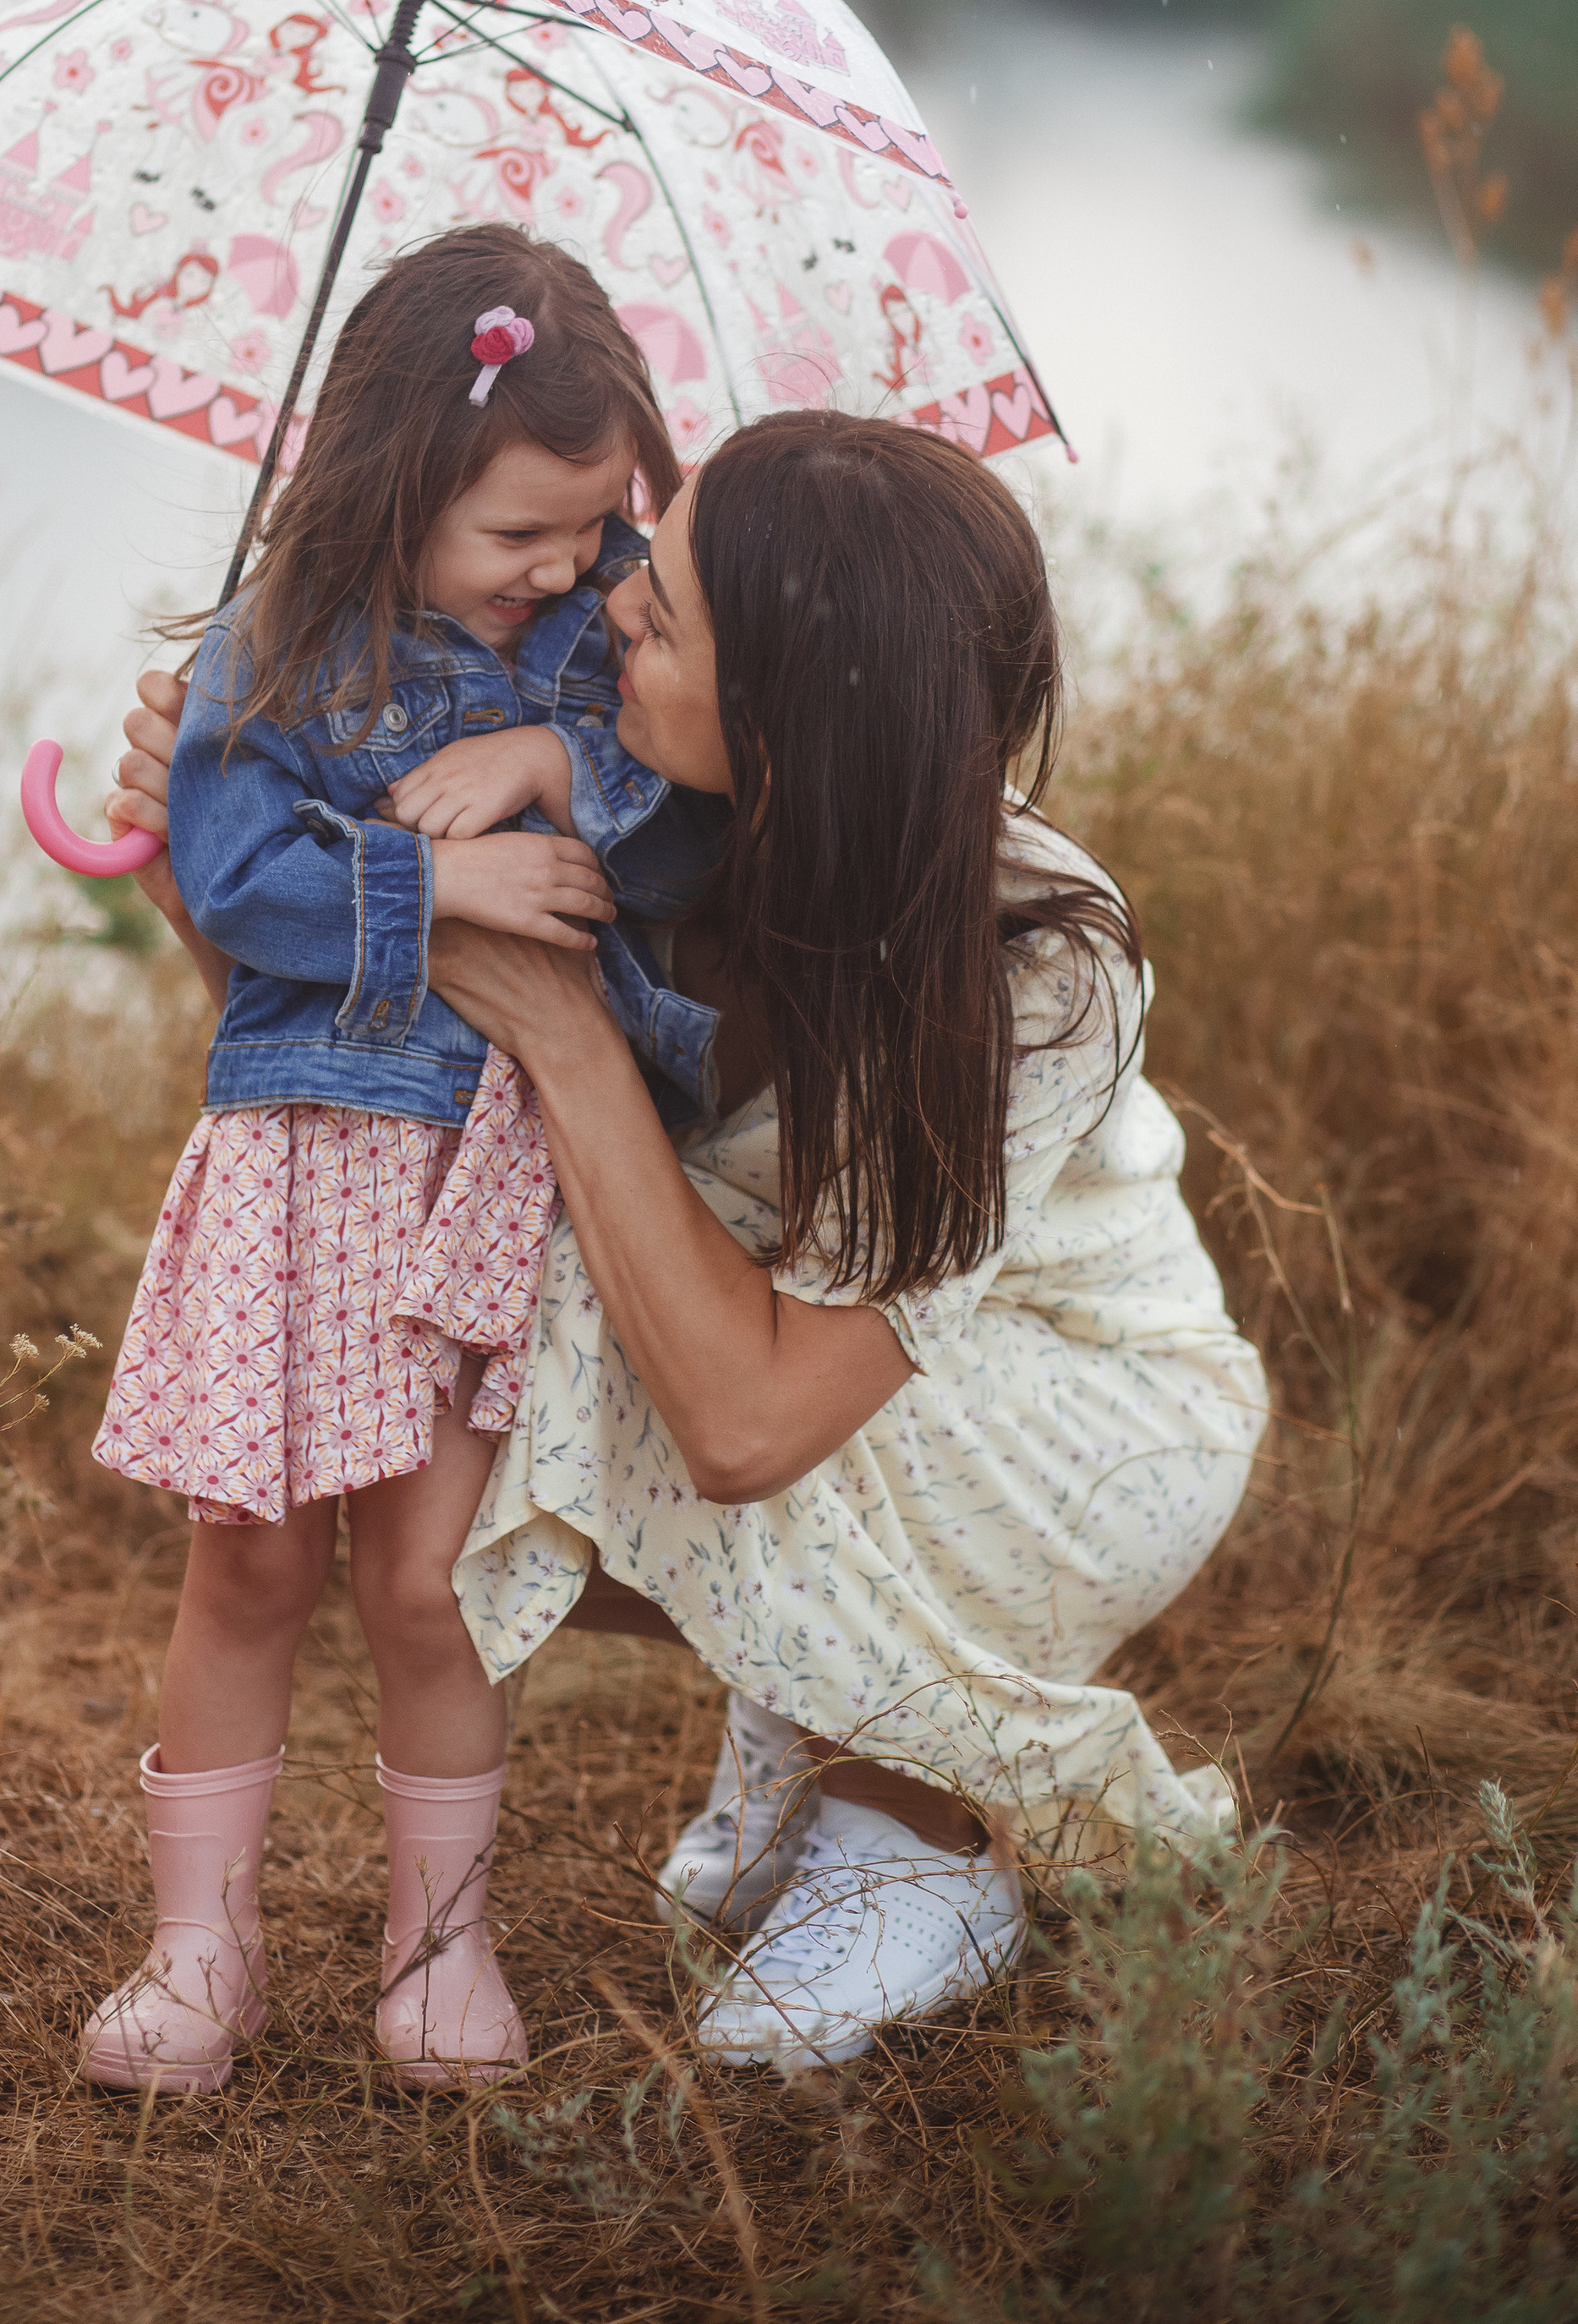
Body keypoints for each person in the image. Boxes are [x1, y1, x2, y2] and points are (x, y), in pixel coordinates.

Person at [116, 407, 1268, 2073]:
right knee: (445, 1371)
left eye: (656, 608)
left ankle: (910, 1817)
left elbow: (750, 1429)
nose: (602, 608)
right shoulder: (632, 814)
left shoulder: (1028, 962)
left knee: (569, 1330)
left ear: (788, 710)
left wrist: (571, 1036)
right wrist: (212, 868)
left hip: (1056, 1430)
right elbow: (363, 1111)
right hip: (774, 1359)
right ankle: (813, 1707)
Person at [82, 227, 721, 2101]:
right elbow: (226, 875)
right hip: (299, 1147)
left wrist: (543, 755)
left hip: (487, 1168)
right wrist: (426, 875)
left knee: (427, 1582)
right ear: (392, 483)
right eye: (512, 535)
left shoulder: (599, 647)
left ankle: (439, 1954)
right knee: (247, 1556)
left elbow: (675, 841)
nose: (557, 570)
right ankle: (200, 1955)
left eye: (587, 529)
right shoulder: (277, 648)